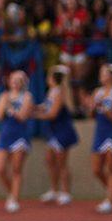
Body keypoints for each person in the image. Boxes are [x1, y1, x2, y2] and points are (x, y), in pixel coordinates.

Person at [36, 65, 78, 206]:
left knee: (62, 163)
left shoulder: (60, 92)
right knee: (50, 160)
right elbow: (46, 106)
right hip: (54, 131)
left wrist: (34, 115)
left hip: (62, 130)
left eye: (49, 76)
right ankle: (54, 190)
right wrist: (35, 107)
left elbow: (52, 113)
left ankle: (66, 192)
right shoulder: (52, 92)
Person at [0, 70, 33, 213]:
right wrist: (6, 107)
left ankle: (14, 198)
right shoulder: (4, 96)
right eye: (13, 80)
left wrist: (10, 109)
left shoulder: (27, 97)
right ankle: (12, 193)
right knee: (0, 169)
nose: (15, 83)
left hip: (20, 135)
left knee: (16, 169)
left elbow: (23, 116)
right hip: (6, 134)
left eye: (19, 80)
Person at [89, 63, 112, 214]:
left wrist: (104, 108)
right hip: (100, 132)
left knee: (111, 167)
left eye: (104, 73)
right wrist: (92, 107)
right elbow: (91, 115)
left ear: (111, 76)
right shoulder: (97, 92)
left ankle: (109, 200)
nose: (101, 76)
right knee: (96, 169)